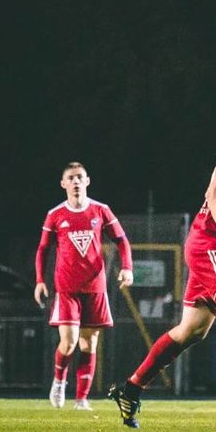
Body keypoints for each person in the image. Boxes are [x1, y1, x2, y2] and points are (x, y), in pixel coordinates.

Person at [109, 91, 216, 430]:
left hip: (206, 244)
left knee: (192, 329)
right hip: (212, 245)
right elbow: (215, 193)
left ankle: (130, 389)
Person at [35, 162, 133, 411]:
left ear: (87, 181)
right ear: (63, 183)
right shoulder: (55, 214)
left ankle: (81, 399)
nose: (76, 181)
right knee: (68, 341)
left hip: (95, 287)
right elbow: (43, 249)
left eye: (80, 177)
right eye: (71, 177)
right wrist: (39, 281)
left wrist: (127, 267)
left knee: (89, 343)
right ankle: (59, 382)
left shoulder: (101, 210)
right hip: (67, 288)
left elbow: (122, 240)